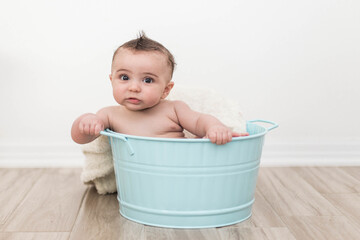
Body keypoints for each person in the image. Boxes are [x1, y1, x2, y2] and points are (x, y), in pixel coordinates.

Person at [71, 33, 248, 145]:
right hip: (138, 180)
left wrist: (215, 128)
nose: (134, 87)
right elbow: (80, 139)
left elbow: (199, 121)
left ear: (166, 89)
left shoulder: (174, 109)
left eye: (147, 80)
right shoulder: (109, 114)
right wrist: (86, 122)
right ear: (112, 80)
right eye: (124, 78)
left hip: (179, 170)